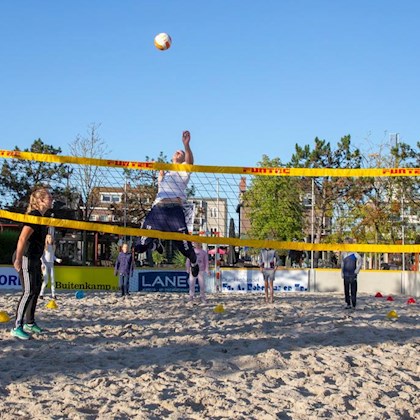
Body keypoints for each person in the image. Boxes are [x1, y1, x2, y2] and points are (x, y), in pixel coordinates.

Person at [134, 130, 199, 277]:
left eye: (180, 152)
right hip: (158, 210)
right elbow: (159, 189)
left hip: (174, 211)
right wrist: (160, 176)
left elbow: (190, 162)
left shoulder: (183, 170)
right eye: (176, 151)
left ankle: (194, 263)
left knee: (185, 248)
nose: (178, 152)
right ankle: (155, 244)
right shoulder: (166, 173)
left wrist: (186, 145)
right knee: (139, 246)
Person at [11, 186, 53, 340]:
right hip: (26, 257)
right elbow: (22, 238)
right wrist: (18, 259)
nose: (51, 199)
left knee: (35, 289)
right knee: (28, 291)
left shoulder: (42, 218)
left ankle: (29, 322)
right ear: (41, 200)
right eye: (49, 196)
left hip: (35, 258)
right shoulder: (34, 215)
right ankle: (17, 326)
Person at [341, 237, 363, 310]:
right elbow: (342, 263)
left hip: (353, 274)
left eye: (347, 243)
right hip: (346, 274)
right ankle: (348, 303)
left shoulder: (355, 254)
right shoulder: (343, 254)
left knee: (353, 290)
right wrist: (342, 272)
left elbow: (360, 262)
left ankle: (353, 304)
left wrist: (357, 270)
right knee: (346, 290)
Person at [39, 233, 62, 300]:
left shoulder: (53, 247)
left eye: (51, 238)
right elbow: (41, 256)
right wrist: (42, 264)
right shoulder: (44, 247)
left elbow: (52, 256)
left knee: (52, 280)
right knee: (46, 280)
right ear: (46, 239)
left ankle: (53, 294)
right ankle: (41, 294)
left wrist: (57, 259)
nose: (50, 239)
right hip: (45, 264)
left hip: (51, 264)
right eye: (49, 237)